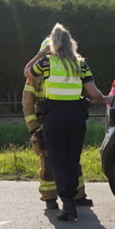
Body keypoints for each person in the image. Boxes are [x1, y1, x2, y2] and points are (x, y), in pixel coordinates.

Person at [24, 24, 105, 221]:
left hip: (54, 118)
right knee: (72, 160)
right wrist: (107, 99)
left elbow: (27, 71)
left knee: (58, 162)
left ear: (53, 44)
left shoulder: (46, 63)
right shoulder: (81, 65)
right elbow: (94, 94)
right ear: (72, 44)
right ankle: (72, 198)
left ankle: (68, 205)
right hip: (77, 117)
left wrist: (40, 53)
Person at [22, 74, 93, 210]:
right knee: (48, 163)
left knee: (72, 160)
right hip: (45, 123)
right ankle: (49, 197)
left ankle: (78, 195)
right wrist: (34, 128)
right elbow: (28, 103)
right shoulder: (36, 74)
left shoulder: (67, 68)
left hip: (67, 121)